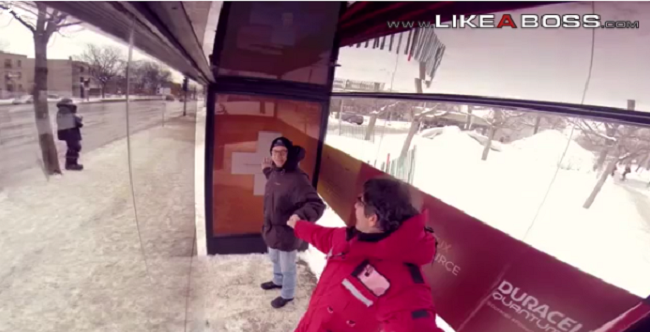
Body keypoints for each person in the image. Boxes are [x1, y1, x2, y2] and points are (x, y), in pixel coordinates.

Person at [288, 177, 444, 332]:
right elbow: (325, 237)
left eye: (360, 201)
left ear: (372, 219)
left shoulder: (404, 281)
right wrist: (298, 225)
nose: (355, 205)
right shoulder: (352, 238)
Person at [261, 136, 326, 309]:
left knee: (287, 265)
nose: (279, 156)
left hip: (288, 232)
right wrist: (267, 171)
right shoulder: (275, 172)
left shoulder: (298, 178)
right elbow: (278, 184)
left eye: (283, 152)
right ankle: (277, 280)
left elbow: (316, 204)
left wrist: (300, 215)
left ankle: (287, 294)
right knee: (274, 258)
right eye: (275, 152)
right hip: (271, 229)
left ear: (289, 155)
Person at [56, 98, 84, 171]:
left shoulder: (64, 110)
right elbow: (74, 122)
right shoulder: (64, 111)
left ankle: (73, 164)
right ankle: (70, 164)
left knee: (74, 147)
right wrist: (78, 119)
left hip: (69, 132)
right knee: (74, 147)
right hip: (69, 132)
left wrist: (76, 119)